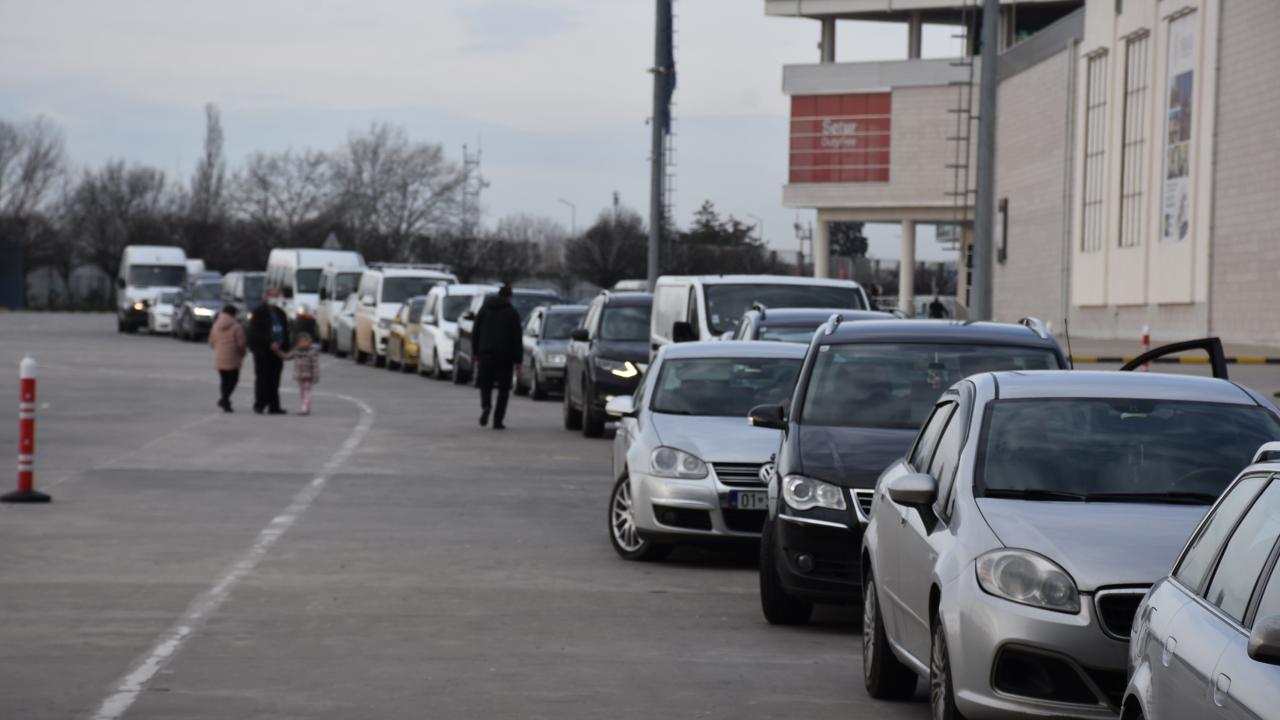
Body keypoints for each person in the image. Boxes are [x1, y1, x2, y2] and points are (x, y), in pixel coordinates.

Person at [472, 284, 523, 430]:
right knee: (503, 389)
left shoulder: (484, 309)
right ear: (510, 296)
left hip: (485, 354)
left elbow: (476, 332)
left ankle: (486, 406)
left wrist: (476, 353)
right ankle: (497, 420)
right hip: (505, 357)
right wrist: (518, 360)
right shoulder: (512, 313)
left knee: (485, 385)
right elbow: (517, 337)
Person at [248, 287, 291, 415]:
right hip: (263, 351)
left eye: (277, 296)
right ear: (266, 297)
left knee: (275, 379)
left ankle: (274, 405)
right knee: (262, 378)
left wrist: (285, 347)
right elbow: (256, 332)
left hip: (278, 351)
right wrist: (269, 342)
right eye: (272, 296)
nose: (275, 299)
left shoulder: (280, 313)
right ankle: (260, 404)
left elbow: (285, 330)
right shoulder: (259, 312)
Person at [207, 304, 247, 412]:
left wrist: (218, 349)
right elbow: (241, 344)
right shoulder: (236, 326)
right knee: (233, 380)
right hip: (233, 358)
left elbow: (211, 342)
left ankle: (225, 402)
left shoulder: (216, 325)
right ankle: (224, 399)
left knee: (224, 381)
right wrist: (242, 353)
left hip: (219, 357)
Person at [279, 332, 320, 416]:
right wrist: (278, 352)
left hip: (309, 376)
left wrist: (316, 376)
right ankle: (305, 406)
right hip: (300, 376)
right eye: (301, 341)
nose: (303, 343)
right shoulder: (296, 351)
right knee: (302, 392)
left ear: (310, 342)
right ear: (297, 343)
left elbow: (315, 366)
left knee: (307, 391)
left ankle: (304, 408)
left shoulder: (312, 353)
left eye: (306, 341)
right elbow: (287, 356)